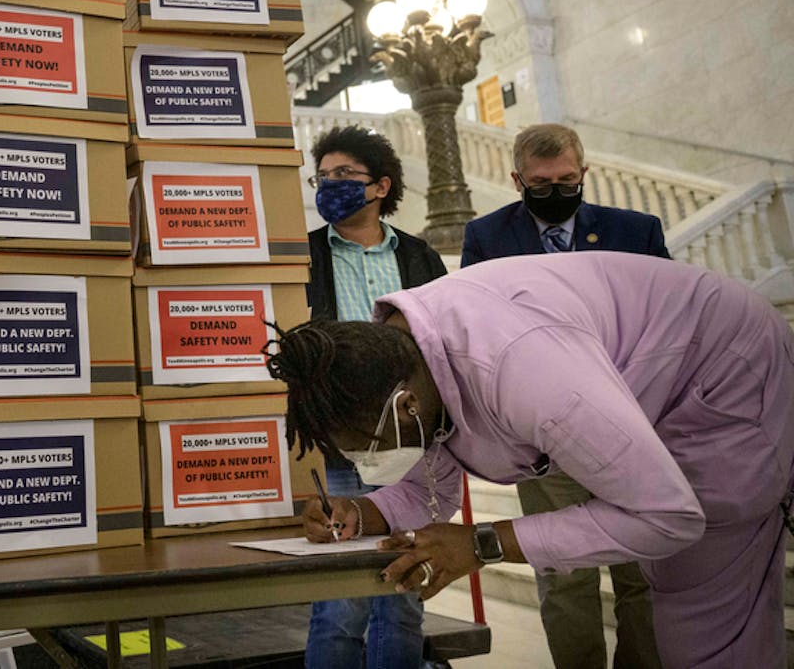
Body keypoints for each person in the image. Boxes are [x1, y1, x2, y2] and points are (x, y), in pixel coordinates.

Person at [265, 252, 794, 669]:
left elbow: (668, 516)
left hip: (725, 377)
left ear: (403, 405)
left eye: (366, 443)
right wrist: (363, 512)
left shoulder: (524, 368)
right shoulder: (409, 361)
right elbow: (432, 487)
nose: (365, 457)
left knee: (701, 621)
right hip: (649, 387)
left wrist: (481, 543)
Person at [462, 123, 668, 669]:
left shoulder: (636, 231)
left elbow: (669, 325)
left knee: (643, 575)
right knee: (564, 576)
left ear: (584, 173)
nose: (555, 190)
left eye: (566, 179)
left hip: (635, 429)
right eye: (540, 182)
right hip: (545, 437)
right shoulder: (487, 238)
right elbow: (475, 331)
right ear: (516, 180)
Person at [304, 125, 446, 669]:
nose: (330, 186)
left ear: (381, 186)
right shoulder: (304, 253)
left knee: (404, 595)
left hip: (413, 444)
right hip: (342, 443)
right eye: (323, 177)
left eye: (345, 175)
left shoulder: (418, 256)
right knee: (340, 602)